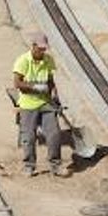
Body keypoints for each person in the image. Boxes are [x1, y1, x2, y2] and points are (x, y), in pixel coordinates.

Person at [12, 33, 69, 177]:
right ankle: (29, 165)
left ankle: (55, 165)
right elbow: (17, 83)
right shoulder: (23, 61)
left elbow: (50, 80)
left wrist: (55, 96)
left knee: (54, 134)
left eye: (44, 49)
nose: (42, 52)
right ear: (33, 46)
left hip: (45, 103)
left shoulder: (48, 60)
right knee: (29, 137)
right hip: (28, 104)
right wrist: (35, 87)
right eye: (40, 49)